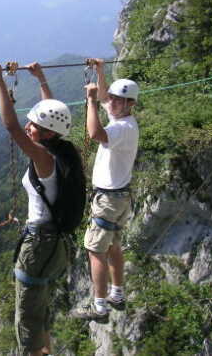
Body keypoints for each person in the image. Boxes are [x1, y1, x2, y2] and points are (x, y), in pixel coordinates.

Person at [0, 62, 84, 356]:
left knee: (27, 315)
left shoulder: (44, 158)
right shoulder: (64, 150)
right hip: (54, 244)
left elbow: (10, 126)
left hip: (40, 244)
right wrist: (41, 79)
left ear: (45, 133)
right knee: (38, 309)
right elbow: (52, 111)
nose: (28, 126)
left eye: (34, 124)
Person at [72, 58, 139, 323]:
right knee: (113, 246)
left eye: (116, 100)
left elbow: (95, 132)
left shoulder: (122, 128)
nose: (110, 102)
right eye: (110, 98)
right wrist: (100, 72)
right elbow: (104, 96)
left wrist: (89, 102)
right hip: (119, 197)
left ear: (130, 104)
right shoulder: (123, 118)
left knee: (96, 251)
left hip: (109, 199)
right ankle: (117, 293)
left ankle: (99, 307)